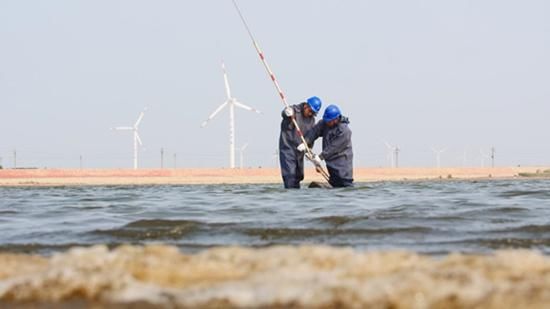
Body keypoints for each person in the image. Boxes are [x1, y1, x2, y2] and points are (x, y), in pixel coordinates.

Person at [299, 104, 354, 187]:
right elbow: (314, 132)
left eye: (329, 121)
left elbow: (334, 147)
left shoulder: (344, 131)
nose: (327, 122)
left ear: (336, 119)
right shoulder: (324, 123)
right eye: (326, 120)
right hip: (330, 163)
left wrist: (320, 157)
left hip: (342, 163)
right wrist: (306, 143)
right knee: (334, 183)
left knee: (344, 184)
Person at [279, 96, 322, 188]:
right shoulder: (294, 110)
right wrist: (286, 113)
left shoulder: (311, 120)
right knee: (290, 175)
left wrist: (308, 149)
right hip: (288, 150)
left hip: (300, 152)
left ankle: (297, 198)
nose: (311, 114)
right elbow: (284, 113)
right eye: (310, 111)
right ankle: (291, 196)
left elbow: (311, 136)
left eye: (313, 113)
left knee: (299, 176)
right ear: (306, 106)